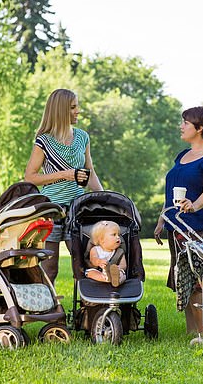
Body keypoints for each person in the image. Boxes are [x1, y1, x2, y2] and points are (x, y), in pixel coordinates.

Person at [153, 106, 203, 335]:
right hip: (175, 226)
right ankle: (191, 332)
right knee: (182, 279)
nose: (181, 126)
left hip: (200, 227)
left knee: (196, 279)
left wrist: (193, 205)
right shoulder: (182, 156)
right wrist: (161, 219)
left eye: (186, 122)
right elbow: (171, 193)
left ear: (200, 128)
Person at [24, 88, 103, 284]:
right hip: (50, 210)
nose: (78, 111)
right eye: (73, 107)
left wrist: (103, 197)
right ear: (61, 110)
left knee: (83, 263)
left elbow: (90, 171)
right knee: (50, 268)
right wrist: (65, 175)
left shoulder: (82, 137)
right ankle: (47, 310)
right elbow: (30, 177)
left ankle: (86, 309)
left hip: (77, 208)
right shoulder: (44, 141)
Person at [85, 220, 127, 287]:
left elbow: (124, 265)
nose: (118, 237)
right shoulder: (95, 249)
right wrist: (99, 262)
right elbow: (93, 260)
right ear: (102, 240)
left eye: (118, 234)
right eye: (114, 234)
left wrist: (118, 268)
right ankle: (107, 278)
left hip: (114, 272)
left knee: (123, 274)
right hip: (98, 270)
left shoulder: (119, 252)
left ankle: (116, 280)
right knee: (91, 273)